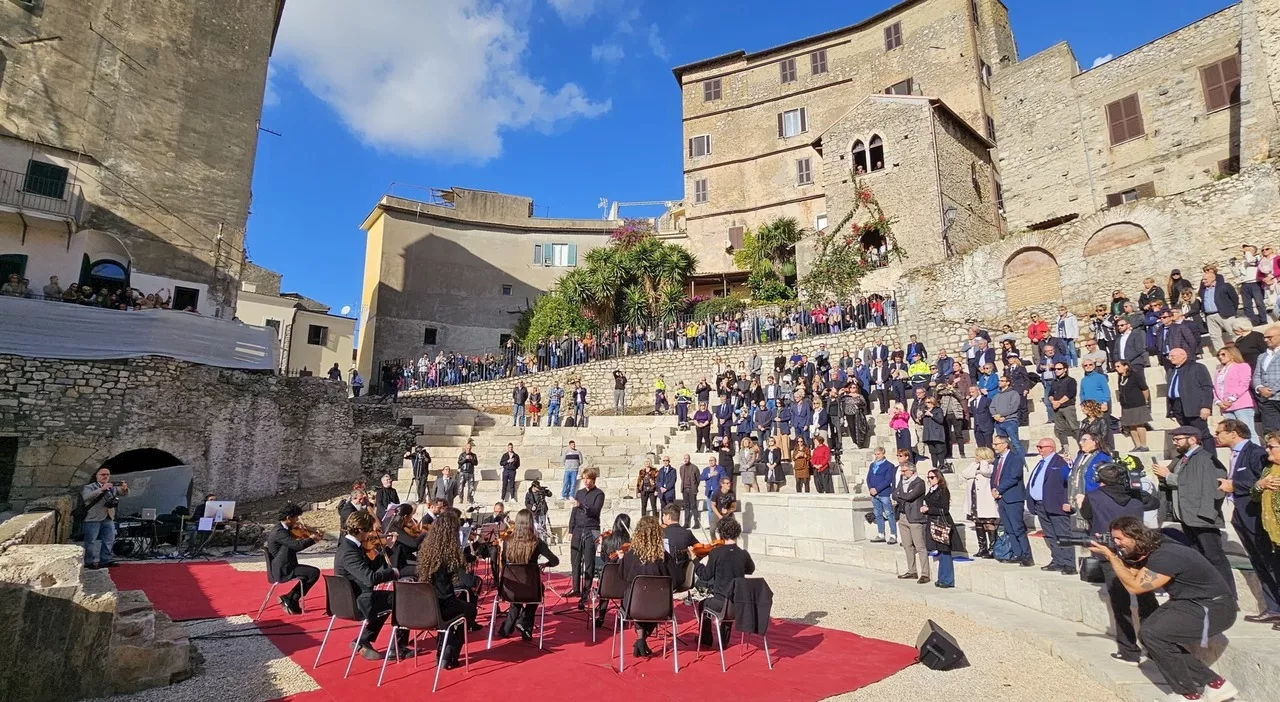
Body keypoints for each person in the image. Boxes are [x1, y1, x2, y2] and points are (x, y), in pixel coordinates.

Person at [1087, 517, 1238, 701]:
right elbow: (1135, 573)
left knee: (1154, 634)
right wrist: (1117, 555)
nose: (1117, 543)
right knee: (1148, 635)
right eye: (1114, 539)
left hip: (1214, 609)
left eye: (1120, 539)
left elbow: (1135, 586)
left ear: (1135, 536)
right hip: (1193, 602)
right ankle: (1215, 684)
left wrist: (1111, 557)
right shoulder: (1155, 549)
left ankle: (1188, 694)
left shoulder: (1165, 555)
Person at [1077, 463, 1162, 664]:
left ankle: (1129, 651)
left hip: (1110, 551)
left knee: (1120, 602)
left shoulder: (1094, 496)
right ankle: (1154, 646)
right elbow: (1154, 503)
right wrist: (1136, 489)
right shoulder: (1135, 495)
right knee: (1146, 598)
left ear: (1100, 479)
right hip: (1138, 550)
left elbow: (1087, 515)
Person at [1152, 426, 1234, 598]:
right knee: (1198, 556)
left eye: (1178, 439)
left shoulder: (1206, 458)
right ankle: (1207, 592)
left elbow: (1206, 486)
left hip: (1202, 516)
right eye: (1174, 439)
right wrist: (1164, 478)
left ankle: (1228, 595)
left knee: (1215, 556)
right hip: (1187, 515)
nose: (1175, 442)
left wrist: (1168, 476)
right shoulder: (1182, 459)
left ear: (1193, 439)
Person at [1217, 422, 1280, 624]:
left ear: (1233, 433)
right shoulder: (1236, 454)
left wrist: (1234, 485)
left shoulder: (1255, 453)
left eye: (1219, 432)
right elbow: (1257, 484)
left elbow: (1259, 481)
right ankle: (1272, 608)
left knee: (1270, 563)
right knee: (1259, 562)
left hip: (1256, 517)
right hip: (1241, 515)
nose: (1215, 436)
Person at [337, 510, 407, 661]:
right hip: (356, 600)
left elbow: (370, 566)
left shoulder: (350, 546)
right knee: (400, 598)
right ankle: (398, 647)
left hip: (356, 595)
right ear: (361, 530)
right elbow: (370, 578)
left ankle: (364, 639)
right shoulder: (349, 551)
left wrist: (386, 547)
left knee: (390, 600)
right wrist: (392, 572)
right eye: (369, 530)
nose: (370, 534)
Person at [415, 510, 480, 668]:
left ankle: (443, 651)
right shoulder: (451, 553)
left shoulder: (426, 551)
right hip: (444, 604)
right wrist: (468, 565)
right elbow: (469, 582)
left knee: (456, 614)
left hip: (424, 605)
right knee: (470, 610)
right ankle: (449, 654)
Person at [618, 516, 681, 658]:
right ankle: (642, 639)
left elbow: (621, 575)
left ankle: (641, 639)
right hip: (659, 606)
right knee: (653, 601)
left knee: (638, 598)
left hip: (633, 605)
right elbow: (677, 580)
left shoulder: (630, 555)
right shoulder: (663, 557)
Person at [690, 516, 756, 647]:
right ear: (737, 533)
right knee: (729, 599)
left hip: (721, 603)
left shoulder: (716, 553)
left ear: (721, 533)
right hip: (739, 603)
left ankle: (706, 638)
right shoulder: (743, 554)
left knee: (703, 604)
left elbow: (705, 575)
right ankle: (724, 639)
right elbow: (750, 569)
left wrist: (695, 560)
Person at [496, 509, 559, 641]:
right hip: (530, 587)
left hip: (510, 588)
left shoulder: (507, 541)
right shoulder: (537, 542)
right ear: (531, 523)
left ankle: (507, 628)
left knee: (518, 598)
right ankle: (525, 623)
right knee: (536, 590)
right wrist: (545, 565)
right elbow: (555, 561)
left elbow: (502, 562)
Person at [1026, 438, 1075, 574]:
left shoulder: (1059, 462)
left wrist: (1067, 502)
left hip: (1056, 504)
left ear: (1051, 448)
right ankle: (1058, 560)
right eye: (1038, 446)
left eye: (1042, 447)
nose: (1039, 449)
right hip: (1041, 505)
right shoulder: (1041, 463)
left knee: (1062, 534)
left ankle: (1069, 563)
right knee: (1050, 534)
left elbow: (1069, 482)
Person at [267, 503, 323, 615]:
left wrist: (306, 532)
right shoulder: (280, 532)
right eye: (296, 518)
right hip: (283, 569)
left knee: (310, 573)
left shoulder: (283, 528)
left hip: (285, 565)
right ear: (288, 518)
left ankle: (290, 598)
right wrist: (312, 539)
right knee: (314, 573)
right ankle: (292, 598)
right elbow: (297, 546)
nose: (297, 520)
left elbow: (293, 544)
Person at [991, 434, 1033, 566]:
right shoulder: (998, 459)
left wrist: (999, 489)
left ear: (1005, 444)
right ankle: (1017, 553)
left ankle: (1027, 555)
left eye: (996, 444)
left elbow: (1014, 477)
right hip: (1001, 498)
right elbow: (994, 477)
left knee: (1018, 528)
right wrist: (993, 489)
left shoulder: (1015, 458)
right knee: (1009, 528)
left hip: (1013, 498)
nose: (994, 447)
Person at [567, 467, 605, 608]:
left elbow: (595, 511)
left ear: (593, 479)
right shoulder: (579, 492)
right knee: (575, 559)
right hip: (578, 529)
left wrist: (581, 505)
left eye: (588, 479)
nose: (586, 481)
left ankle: (586, 590)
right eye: (584, 478)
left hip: (591, 529)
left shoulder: (599, 494)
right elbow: (574, 512)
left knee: (589, 561)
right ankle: (576, 588)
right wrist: (571, 529)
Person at [81, 467, 130, 569]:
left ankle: (105, 560)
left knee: (109, 539)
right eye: (103, 474)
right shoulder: (90, 487)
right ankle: (89, 561)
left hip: (108, 517)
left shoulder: (112, 487)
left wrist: (125, 488)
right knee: (90, 541)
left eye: (107, 474)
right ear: (97, 476)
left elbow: (124, 493)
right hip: (93, 518)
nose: (105, 476)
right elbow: (86, 497)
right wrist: (101, 489)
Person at [1166, 348, 1214, 446]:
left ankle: (1210, 458)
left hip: (1194, 406)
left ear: (1183, 356)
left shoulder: (1197, 367)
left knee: (1202, 434)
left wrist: (1206, 406)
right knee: (1187, 435)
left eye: (1172, 356)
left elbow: (1207, 387)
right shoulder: (1172, 370)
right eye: (1169, 356)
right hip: (1178, 405)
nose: (1170, 358)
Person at [892, 454, 929, 583]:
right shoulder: (902, 482)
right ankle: (912, 570)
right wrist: (902, 495)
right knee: (907, 545)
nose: (902, 474)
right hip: (902, 516)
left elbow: (910, 496)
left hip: (914, 517)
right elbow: (894, 494)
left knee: (920, 546)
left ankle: (925, 573)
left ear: (911, 471)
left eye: (904, 471)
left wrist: (900, 495)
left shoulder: (919, 482)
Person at [921, 468, 960, 588]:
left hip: (942, 522)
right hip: (933, 522)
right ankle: (941, 578)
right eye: (928, 477)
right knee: (940, 551)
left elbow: (945, 509)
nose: (930, 479)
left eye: (932, 477)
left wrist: (929, 509)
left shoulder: (943, 491)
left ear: (939, 478)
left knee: (945, 552)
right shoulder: (932, 489)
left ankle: (947, 579)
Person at [962, 447, 1000, 558]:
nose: (976, 457)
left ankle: (993, 548)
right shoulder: (975, 466)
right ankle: (982, 548)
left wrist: (984, 462)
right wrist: (974, 465)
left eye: (978, 455)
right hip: (974, 499)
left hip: (985, 500)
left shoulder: (990, 466)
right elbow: (965, 473)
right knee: (978, 523)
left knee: (988, 523)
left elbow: (985, 472)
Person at [1198, 263, 1240, 351]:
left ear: (1213, 278)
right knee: (1215, 337)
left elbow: (1235, 299)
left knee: (1234, 333)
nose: (1203, 281)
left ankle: (1240, 351)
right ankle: (1222, 354)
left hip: (1224, 314)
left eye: (1205, 279)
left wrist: (1232, 310)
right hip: (1209, 316)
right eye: (1202, 279)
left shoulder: (1224, 286)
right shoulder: (1203, 291)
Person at [1114, 360, 1151, 452]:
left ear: (1126, 366)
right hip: (1126, 405)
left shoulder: (1135, 376)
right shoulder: (1120, 378)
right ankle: (1137, 445)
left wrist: (1145, 400)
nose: (1116, 368)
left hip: (1137, 404)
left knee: (1139, 424)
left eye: (1118, 366)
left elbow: (1145, 389)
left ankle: (1144, 445)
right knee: (1132, 426)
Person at [1254, 325, 1280, 434]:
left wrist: (1272, 390)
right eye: (1265, 337)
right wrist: (1259, 388)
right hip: (1267, 400)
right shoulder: (1262, 356)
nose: (1265, 340)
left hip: (1275, 394)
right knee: (1271, 432)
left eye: (1269, 337)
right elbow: (1256, 375)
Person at [662, 503, 699, 574]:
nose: (662, 518)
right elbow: (698, 550)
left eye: (663, 515)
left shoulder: (661, 533)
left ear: (669, 517)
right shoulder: (687, 533)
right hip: (683, 573)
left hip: (666, 574)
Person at [922, 396, 948, 471]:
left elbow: (940, 420)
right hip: (928, 434)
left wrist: (931, 415)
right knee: (932, 451)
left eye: (929, 402)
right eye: (926, 402)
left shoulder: (938, 410)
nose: (927, 404)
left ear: (933, 402)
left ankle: (942, 465)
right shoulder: (925, 411)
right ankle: (934, 466)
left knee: (939, 450)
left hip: (936, 433)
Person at [701, 457, 728, 528]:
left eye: (712, 460)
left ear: (715, 461)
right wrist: (710, 475)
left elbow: (723, 478)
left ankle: (720, 525)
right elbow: (701, 477)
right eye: (709, 461)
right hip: (709, 492)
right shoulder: (706, 469)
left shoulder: (720, 469)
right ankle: (712, 525)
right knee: (710, 509)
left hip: (717, 492)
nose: (711, 462)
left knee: (718, 509)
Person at [678, 454, 702, 529]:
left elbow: (698, 479)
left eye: (687, 458)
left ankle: (696, 522)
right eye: (684, 458)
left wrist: (694, 486)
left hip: (692, 490)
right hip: (684, 490)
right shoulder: (681, 468)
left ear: (689, 459)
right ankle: (686, 522)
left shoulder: (694, 468)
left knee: (693, 506)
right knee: (686, 506)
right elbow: (682, 477)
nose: (685, 460)